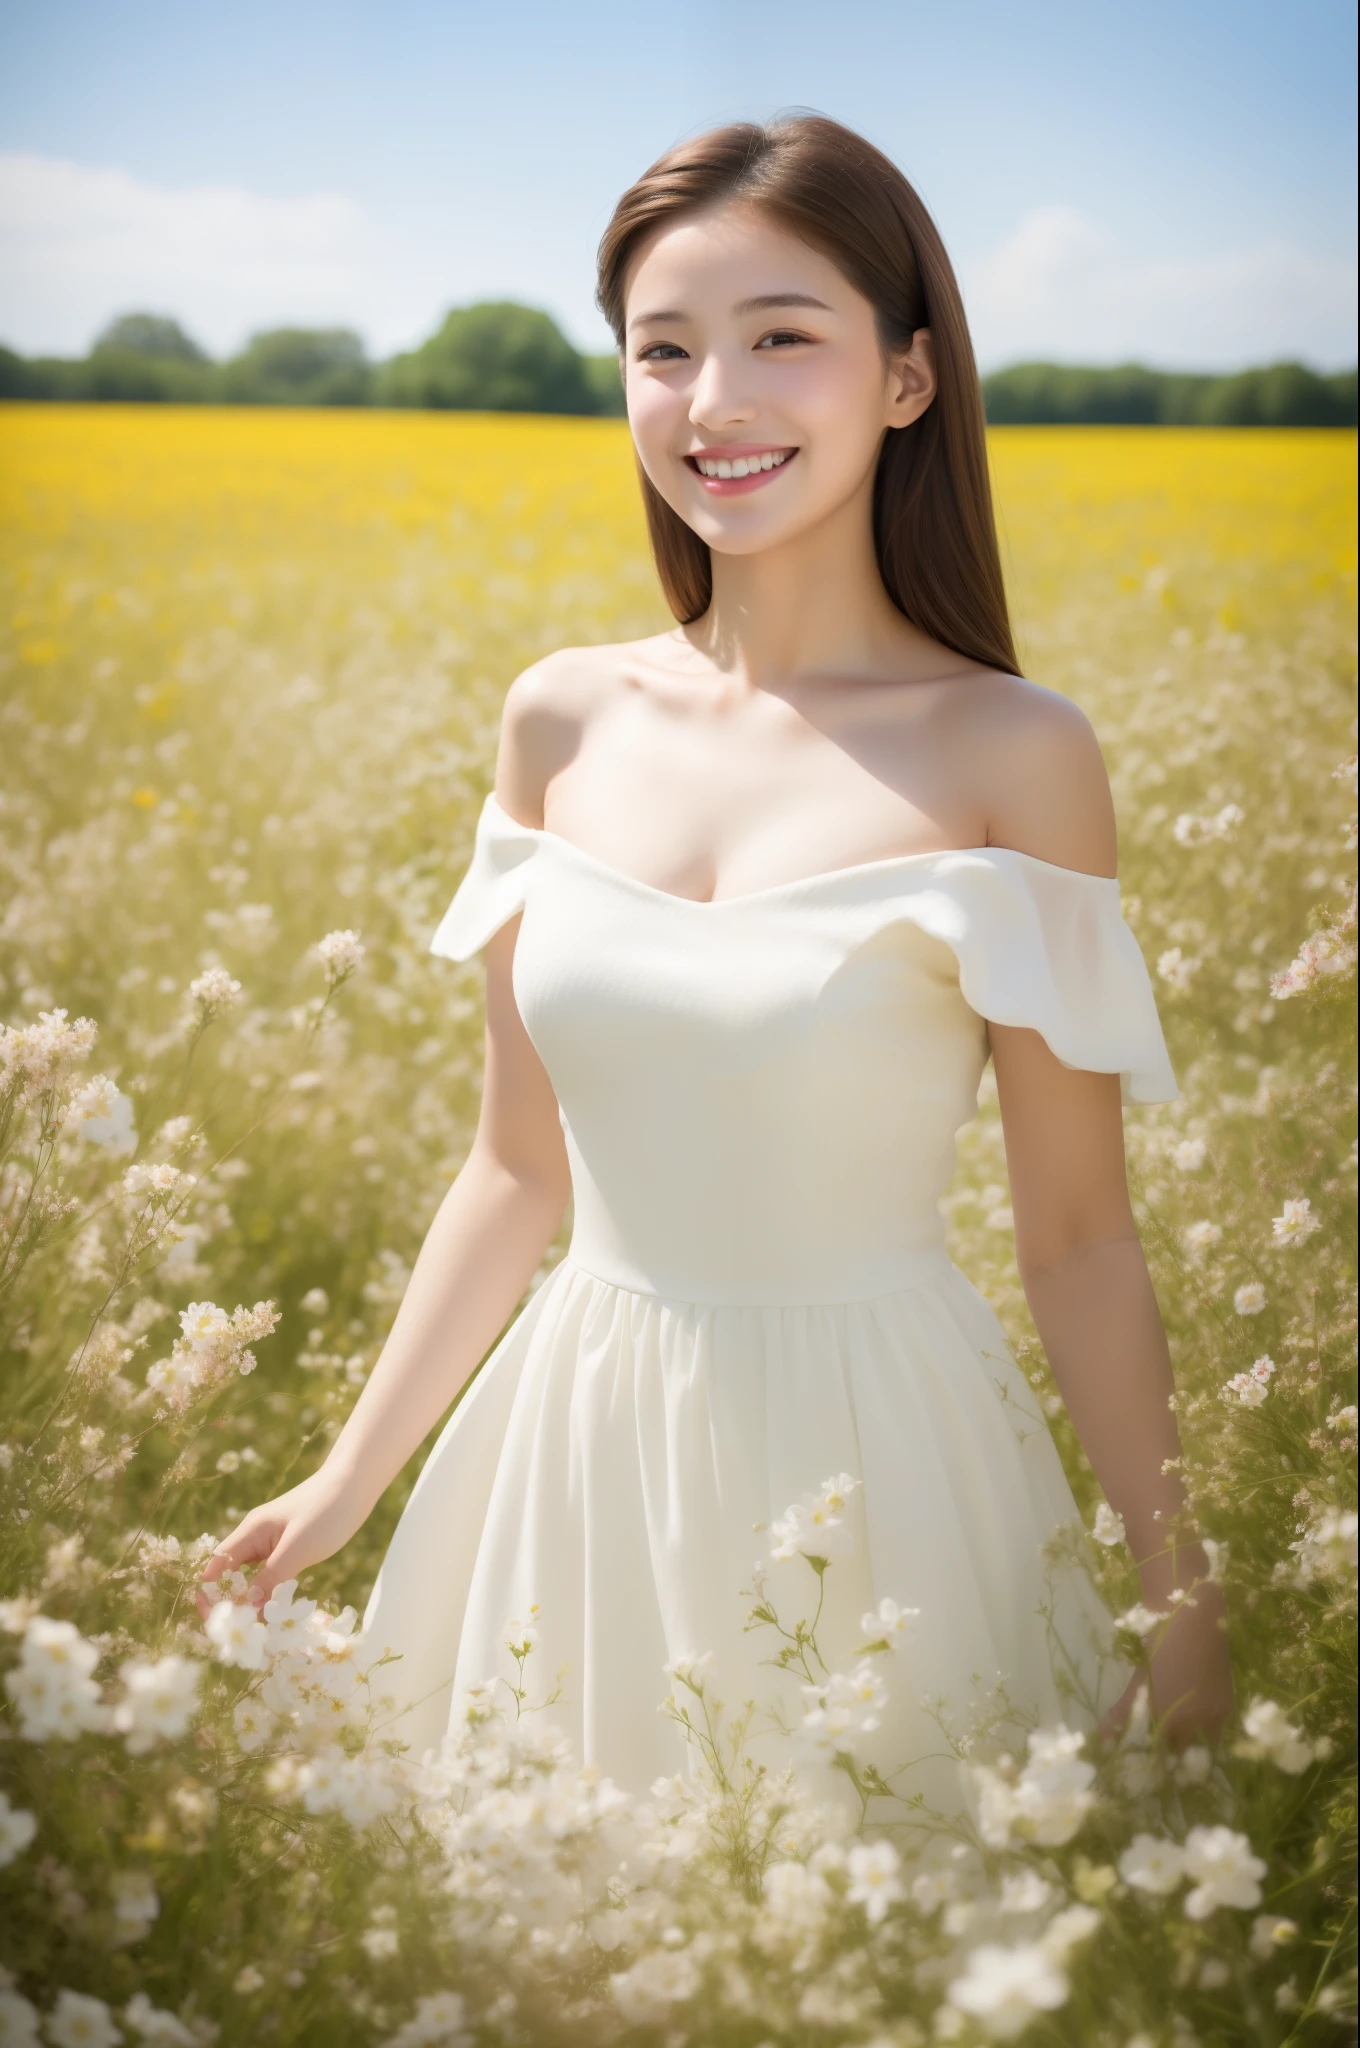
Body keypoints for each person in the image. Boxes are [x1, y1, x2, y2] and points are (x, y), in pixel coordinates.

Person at [199, 114, 1234, 1811]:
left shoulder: (1016, 752)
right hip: (575, 1442)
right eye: (662, 350)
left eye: (782, 339)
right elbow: (514, 1166)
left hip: (880, 1457)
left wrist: (1182, 1594)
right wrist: (343, 1481)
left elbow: (1078, 1232)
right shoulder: (561, 715)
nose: (713, 401)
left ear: (907, 379)